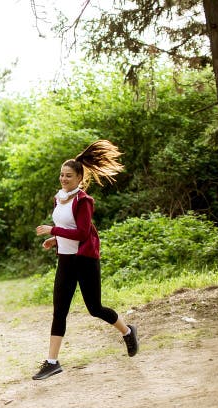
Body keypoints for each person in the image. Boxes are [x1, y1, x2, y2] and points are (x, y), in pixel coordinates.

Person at [33, 140, 139, 380]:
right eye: (61, 175)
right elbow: (64, 228)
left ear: (79, 177)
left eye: (68, 176)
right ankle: (52, 362)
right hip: (66, 261)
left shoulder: (84, 201)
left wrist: (53, 232)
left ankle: (127, 331)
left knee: (95, 308)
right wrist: (55, 242)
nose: (63, 179)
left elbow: (81, 233)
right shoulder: (59, 199)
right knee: (59, 311)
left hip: (85, 261)